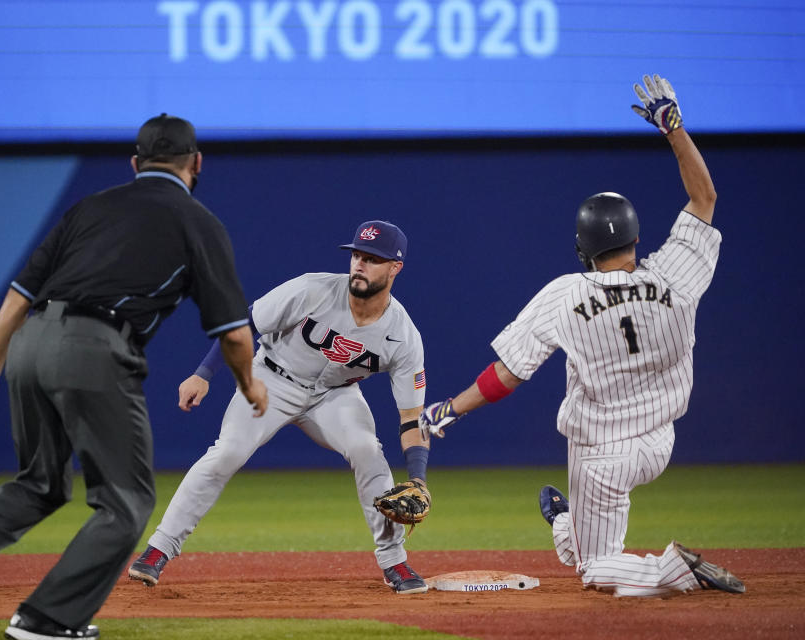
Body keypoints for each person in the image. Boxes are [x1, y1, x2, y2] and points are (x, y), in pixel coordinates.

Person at [0, 113, 268, 640]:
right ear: (197, 163)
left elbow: (18, 297)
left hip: (30, 343)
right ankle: (44, 620)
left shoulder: (88, 208)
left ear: (135, 163)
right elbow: (236, 335)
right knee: (127, 502)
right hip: (96, 348)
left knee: (41, 483)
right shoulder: (198, 222)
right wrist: (249, 384)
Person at [419, 75, 745, 597]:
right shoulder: (673, 277)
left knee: (597, 572)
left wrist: (452, 409)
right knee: (581, 549)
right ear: (637, 237)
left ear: (582, 247)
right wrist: (674, 129)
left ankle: (674, 570)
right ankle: (564, 521)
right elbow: (704, 196)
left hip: (601, 456)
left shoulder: (566, 293)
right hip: (660, 442)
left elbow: (508, 374)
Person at [128, 220, 432, 595]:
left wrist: (418, 478)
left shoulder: (403, 336)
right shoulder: (312, 289)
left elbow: (410, 418)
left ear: (395, 267)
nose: (359, 264)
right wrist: (204, 373)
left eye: (372, 258)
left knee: (368, 450)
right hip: (271, 379)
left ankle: (394, 563)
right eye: (356, 255)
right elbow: (245, 322)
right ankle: (158, 550)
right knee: (227, 452)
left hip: (334, 395)